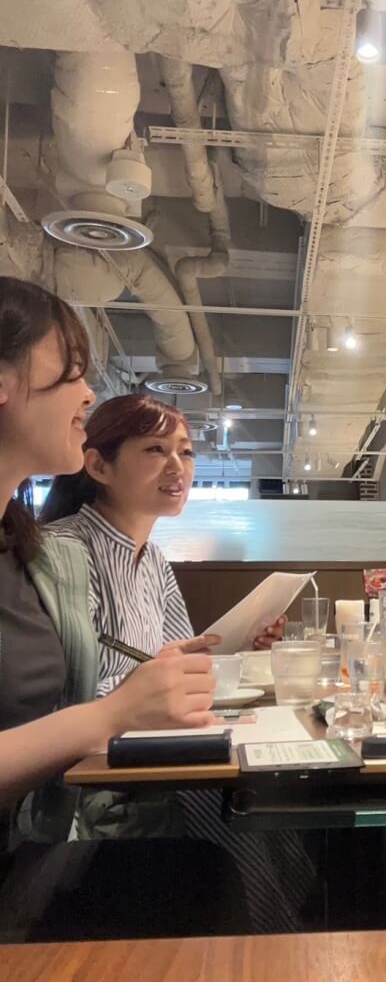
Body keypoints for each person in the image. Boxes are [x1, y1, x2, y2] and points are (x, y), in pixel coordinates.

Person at [0, 275, 247, 941]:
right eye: (71, 368)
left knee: (242, 846)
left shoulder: (23, 549)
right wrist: (113, 713)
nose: (88, 393)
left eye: (186, 452)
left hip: (43, 836)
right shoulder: (58, 553)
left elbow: (169, 661)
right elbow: (91, 697)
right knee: (233, 847)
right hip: (54, 836)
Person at [41, 393, 314, 933]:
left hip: (155, 751)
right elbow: (67, 692)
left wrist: (242, 648)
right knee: (243, 821)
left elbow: (181, 662)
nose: (178, 467)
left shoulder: (155, 561)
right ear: (98, 465)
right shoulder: (64, 551)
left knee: (278, 812)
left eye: (186, 452)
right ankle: (262, 950)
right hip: (97, 778)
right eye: (155, 450)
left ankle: (283, 943)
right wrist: (148, 688)